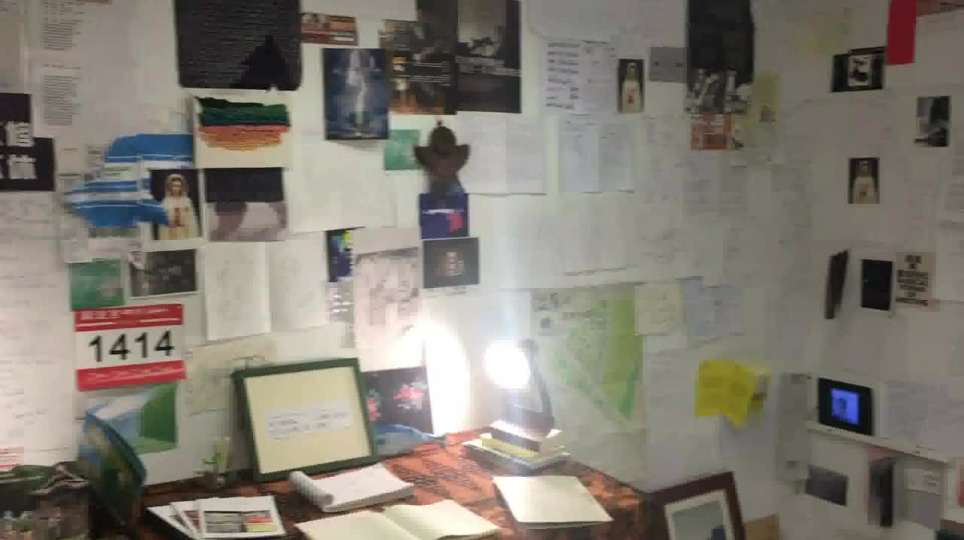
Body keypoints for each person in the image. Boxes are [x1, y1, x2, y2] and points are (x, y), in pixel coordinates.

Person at [157, 173, 199, 240]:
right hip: (170, 235)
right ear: (170, 186)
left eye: (178, 186)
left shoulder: (187, 201)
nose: (176, 189)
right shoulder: (166, 201)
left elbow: (192, 221)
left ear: (181, 187)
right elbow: (163, 224)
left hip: (184, 235)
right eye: (174, 186)